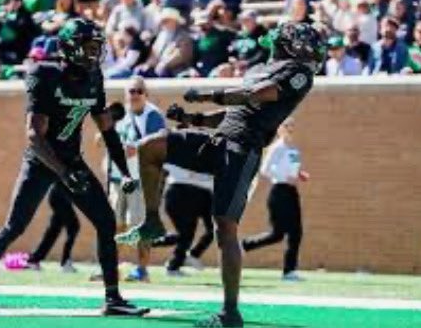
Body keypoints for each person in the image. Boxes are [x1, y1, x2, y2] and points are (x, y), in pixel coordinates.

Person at [117, 22, 327, 327]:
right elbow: (235, 112)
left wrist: (208, 94)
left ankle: (231, 312)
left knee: (224, 228)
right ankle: (151, 219)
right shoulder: (259, 68)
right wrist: (194, 119)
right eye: (305, 41)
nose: (309, 48)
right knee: (151, 147)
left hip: (242, 152)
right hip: (218, 142)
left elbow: (256, 94)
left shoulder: (299, 73)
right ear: (286, 41)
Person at [0, 18, 149, 317]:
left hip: (72, 161)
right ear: (68, 48)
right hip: (41, 162)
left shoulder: (94, 77)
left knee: (105, 221)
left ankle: (113, 298)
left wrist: (125, 172)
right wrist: (63, 173)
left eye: (96, 48)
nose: (93, 54)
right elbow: (35, 136)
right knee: (15, 227)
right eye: (88, 48)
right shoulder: (45, 74)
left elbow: (107, 130)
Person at [106, 76, 166, 283]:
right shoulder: (121, 113)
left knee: (139, 225)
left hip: (141, 180)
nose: (135, 95)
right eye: (131, 91)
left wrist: (136, 147)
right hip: (118, 177)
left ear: (146, 94)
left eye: (139, 91)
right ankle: (110, 268)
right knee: (115, 224)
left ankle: (142, 270)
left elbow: (161, 140)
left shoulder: (152, 116)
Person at [242, 117, 309, 282]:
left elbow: (292, 169)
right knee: (277, 234)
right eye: (287, 126)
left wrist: (299, 175)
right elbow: (265, 170)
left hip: (292, 192)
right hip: (279, 192)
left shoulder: (292, 150)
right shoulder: (277, 148)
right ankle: (244, 245)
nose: (290, 129)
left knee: (296, 232)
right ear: (279, 128)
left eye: (292, 126)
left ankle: (289, 271)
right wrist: (284, 177)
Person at [152, 161, 214, 276]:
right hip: (180, 190)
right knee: (186, 235)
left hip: (199, 192)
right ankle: (174, 264)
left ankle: (188, 256)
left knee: (215, 229)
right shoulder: (179, 147)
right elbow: (163, 172)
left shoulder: (212, 147)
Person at [26, 184, 80, 273]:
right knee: (74, 226)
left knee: (53, 231)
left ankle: (34, 259)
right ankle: (65, 262)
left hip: (60, 196)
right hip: (59, 197)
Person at [134, 8, 193, 78]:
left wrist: (164, 64)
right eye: (163, 21)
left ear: (174, 21)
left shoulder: (183, 36)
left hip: (175, 69)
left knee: (162, 71)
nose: (163, 23)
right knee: (139, 71)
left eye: (166, 20)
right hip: (158, 67)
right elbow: (154, 54)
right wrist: (148, 64)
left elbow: (181, 55)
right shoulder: (161, 36)